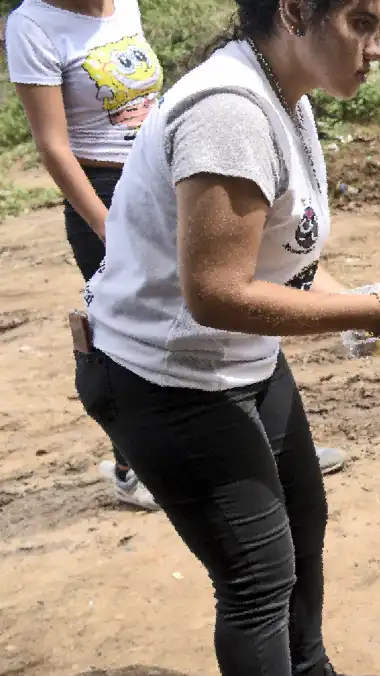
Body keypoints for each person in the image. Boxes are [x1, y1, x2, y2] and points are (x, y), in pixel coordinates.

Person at [74, 0, 380, 676]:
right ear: (293, 12)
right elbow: (214, 293)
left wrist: (364, 311)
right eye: (360, 19)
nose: (376, 44)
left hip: (234, 365)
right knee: (255, 573)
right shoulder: (230, 113)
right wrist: (369, 311)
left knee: (304, 513)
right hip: (163, 378)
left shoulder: (287, 98)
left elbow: (283, 251)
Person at [5, 0, 351, 513]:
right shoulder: (32, 25)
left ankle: (267, 447)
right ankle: (132, 467)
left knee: (242, 295)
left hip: (166, 165)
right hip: (101, 185)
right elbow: (54, 147)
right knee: (139, 330)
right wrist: (109, 223)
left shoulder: (123, 6)